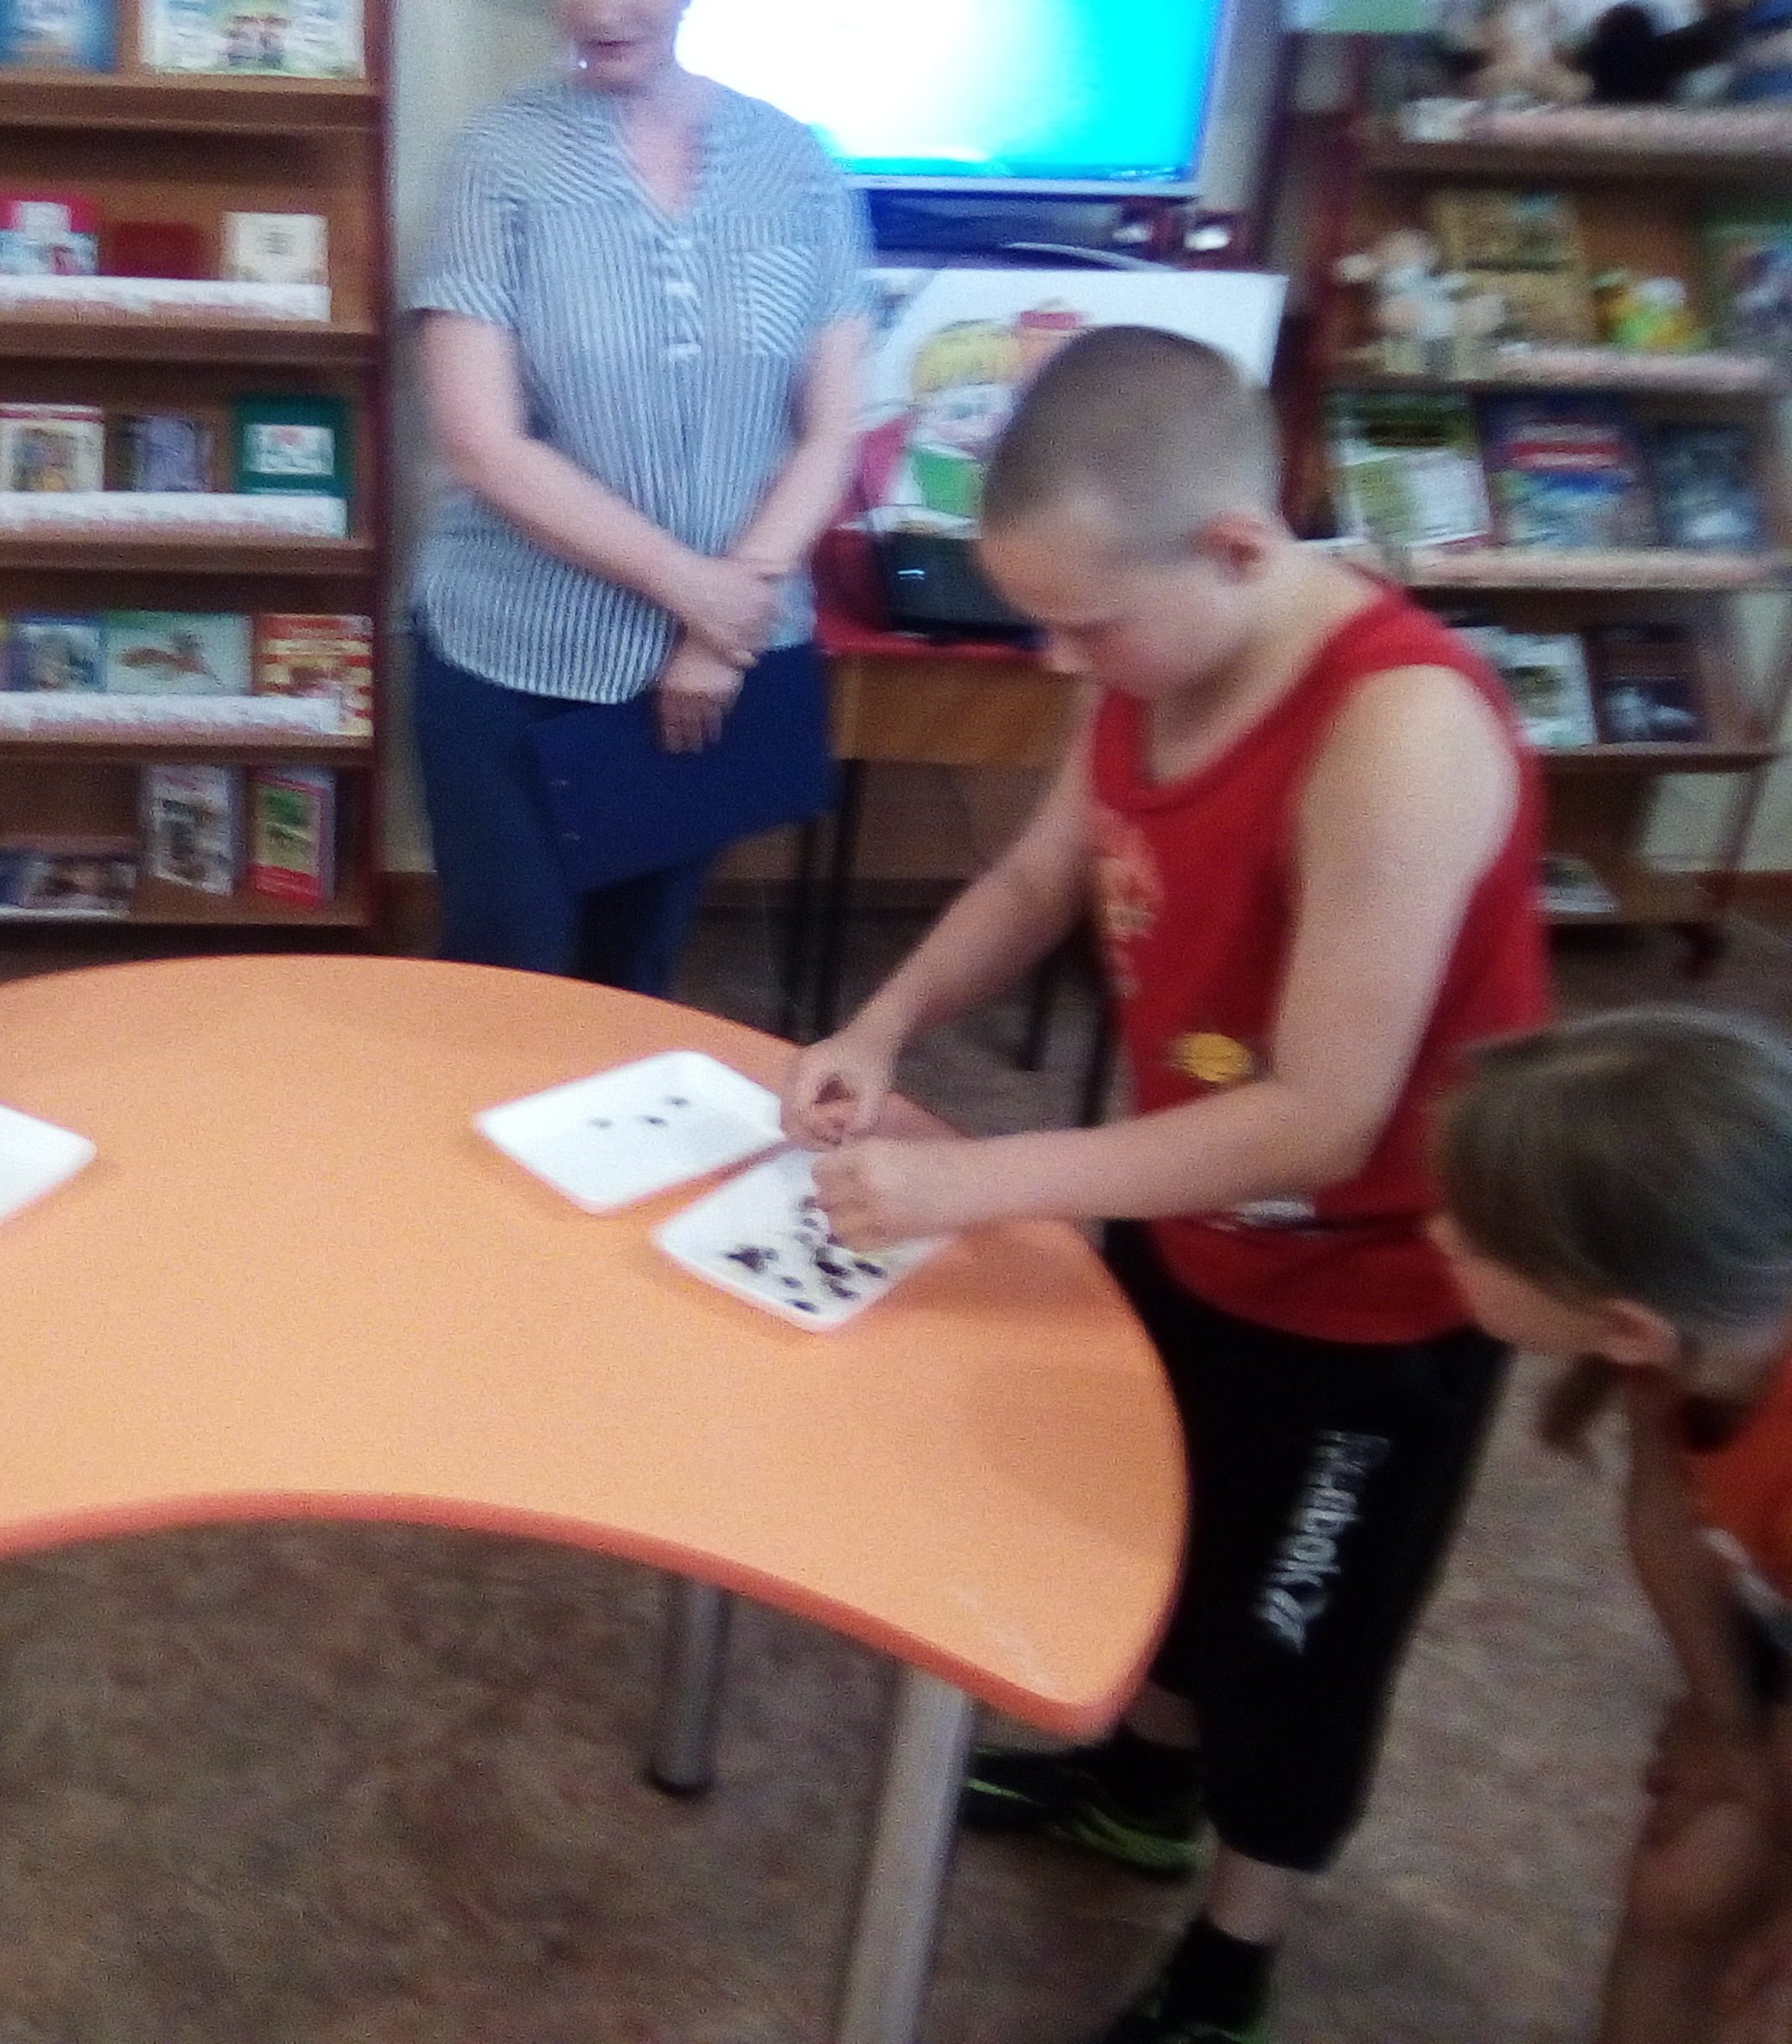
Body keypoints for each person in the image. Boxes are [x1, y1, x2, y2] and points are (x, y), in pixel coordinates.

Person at [782, 325, 1549, 2044]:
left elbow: (1321, 1120)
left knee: (1302, 1638)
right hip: (1188, 1205)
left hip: (1377, 1292)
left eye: (1087, 624)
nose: (1063, 664)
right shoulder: (1146, 659)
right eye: (1040, 623)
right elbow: (1040, 875)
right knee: (1167, 1529)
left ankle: (1232, 1954)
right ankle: (1136, 1790)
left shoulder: (1399, 731)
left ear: (1236, 547)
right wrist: (882, 1025)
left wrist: (980, 1185)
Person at [408, 0, 868, 995]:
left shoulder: (796, 164)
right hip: (512, 653)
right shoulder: (498, 159)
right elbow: (483, 444)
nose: (599, 11)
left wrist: (723, 624)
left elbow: (830, 430)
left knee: (633, 982)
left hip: (710, 669)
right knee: (509, 973)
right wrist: (691, 588)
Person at [1432, 1008, 1792, 2044]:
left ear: (1626, 1324)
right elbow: (1669, 1518)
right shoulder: (1695, 1337)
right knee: (1683, 1885)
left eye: (1474, 1238)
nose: (1438, 1235)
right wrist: (1728, 1724)